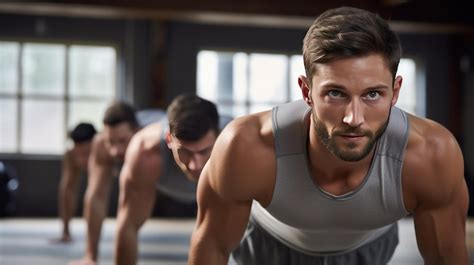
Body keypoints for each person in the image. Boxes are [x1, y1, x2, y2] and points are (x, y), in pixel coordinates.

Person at [189, 6, 469, 265]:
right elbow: (212, 245)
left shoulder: (432, 153)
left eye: (373, 94)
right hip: (269, 243)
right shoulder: (246, 145)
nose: (354, 119)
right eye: (335, 93)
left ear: (395, 92)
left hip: (367, 248)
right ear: (306, 91)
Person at [114, 94, 220, 265]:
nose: (194, 165)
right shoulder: (145, 153)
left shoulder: (236, 148)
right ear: (169, 139)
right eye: (185, 151)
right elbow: (128, 225)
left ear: (217, 137)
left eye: (203, 151)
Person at [70, 101, 139, 265]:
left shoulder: (151, 143)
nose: (116, 151)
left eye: (122, 141)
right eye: (111, 141)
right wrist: (90, 256)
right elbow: (96, 195)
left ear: (136, 132)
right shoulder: (101, 144)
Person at [50, 122, 97, 243]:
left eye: (86, 153)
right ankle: (66, 232)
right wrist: (65, 231)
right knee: (66, 189)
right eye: (79, 153)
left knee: (94, 193)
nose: (82, 159)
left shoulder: (104, 149)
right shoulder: (71, 154)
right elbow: (67, 189)